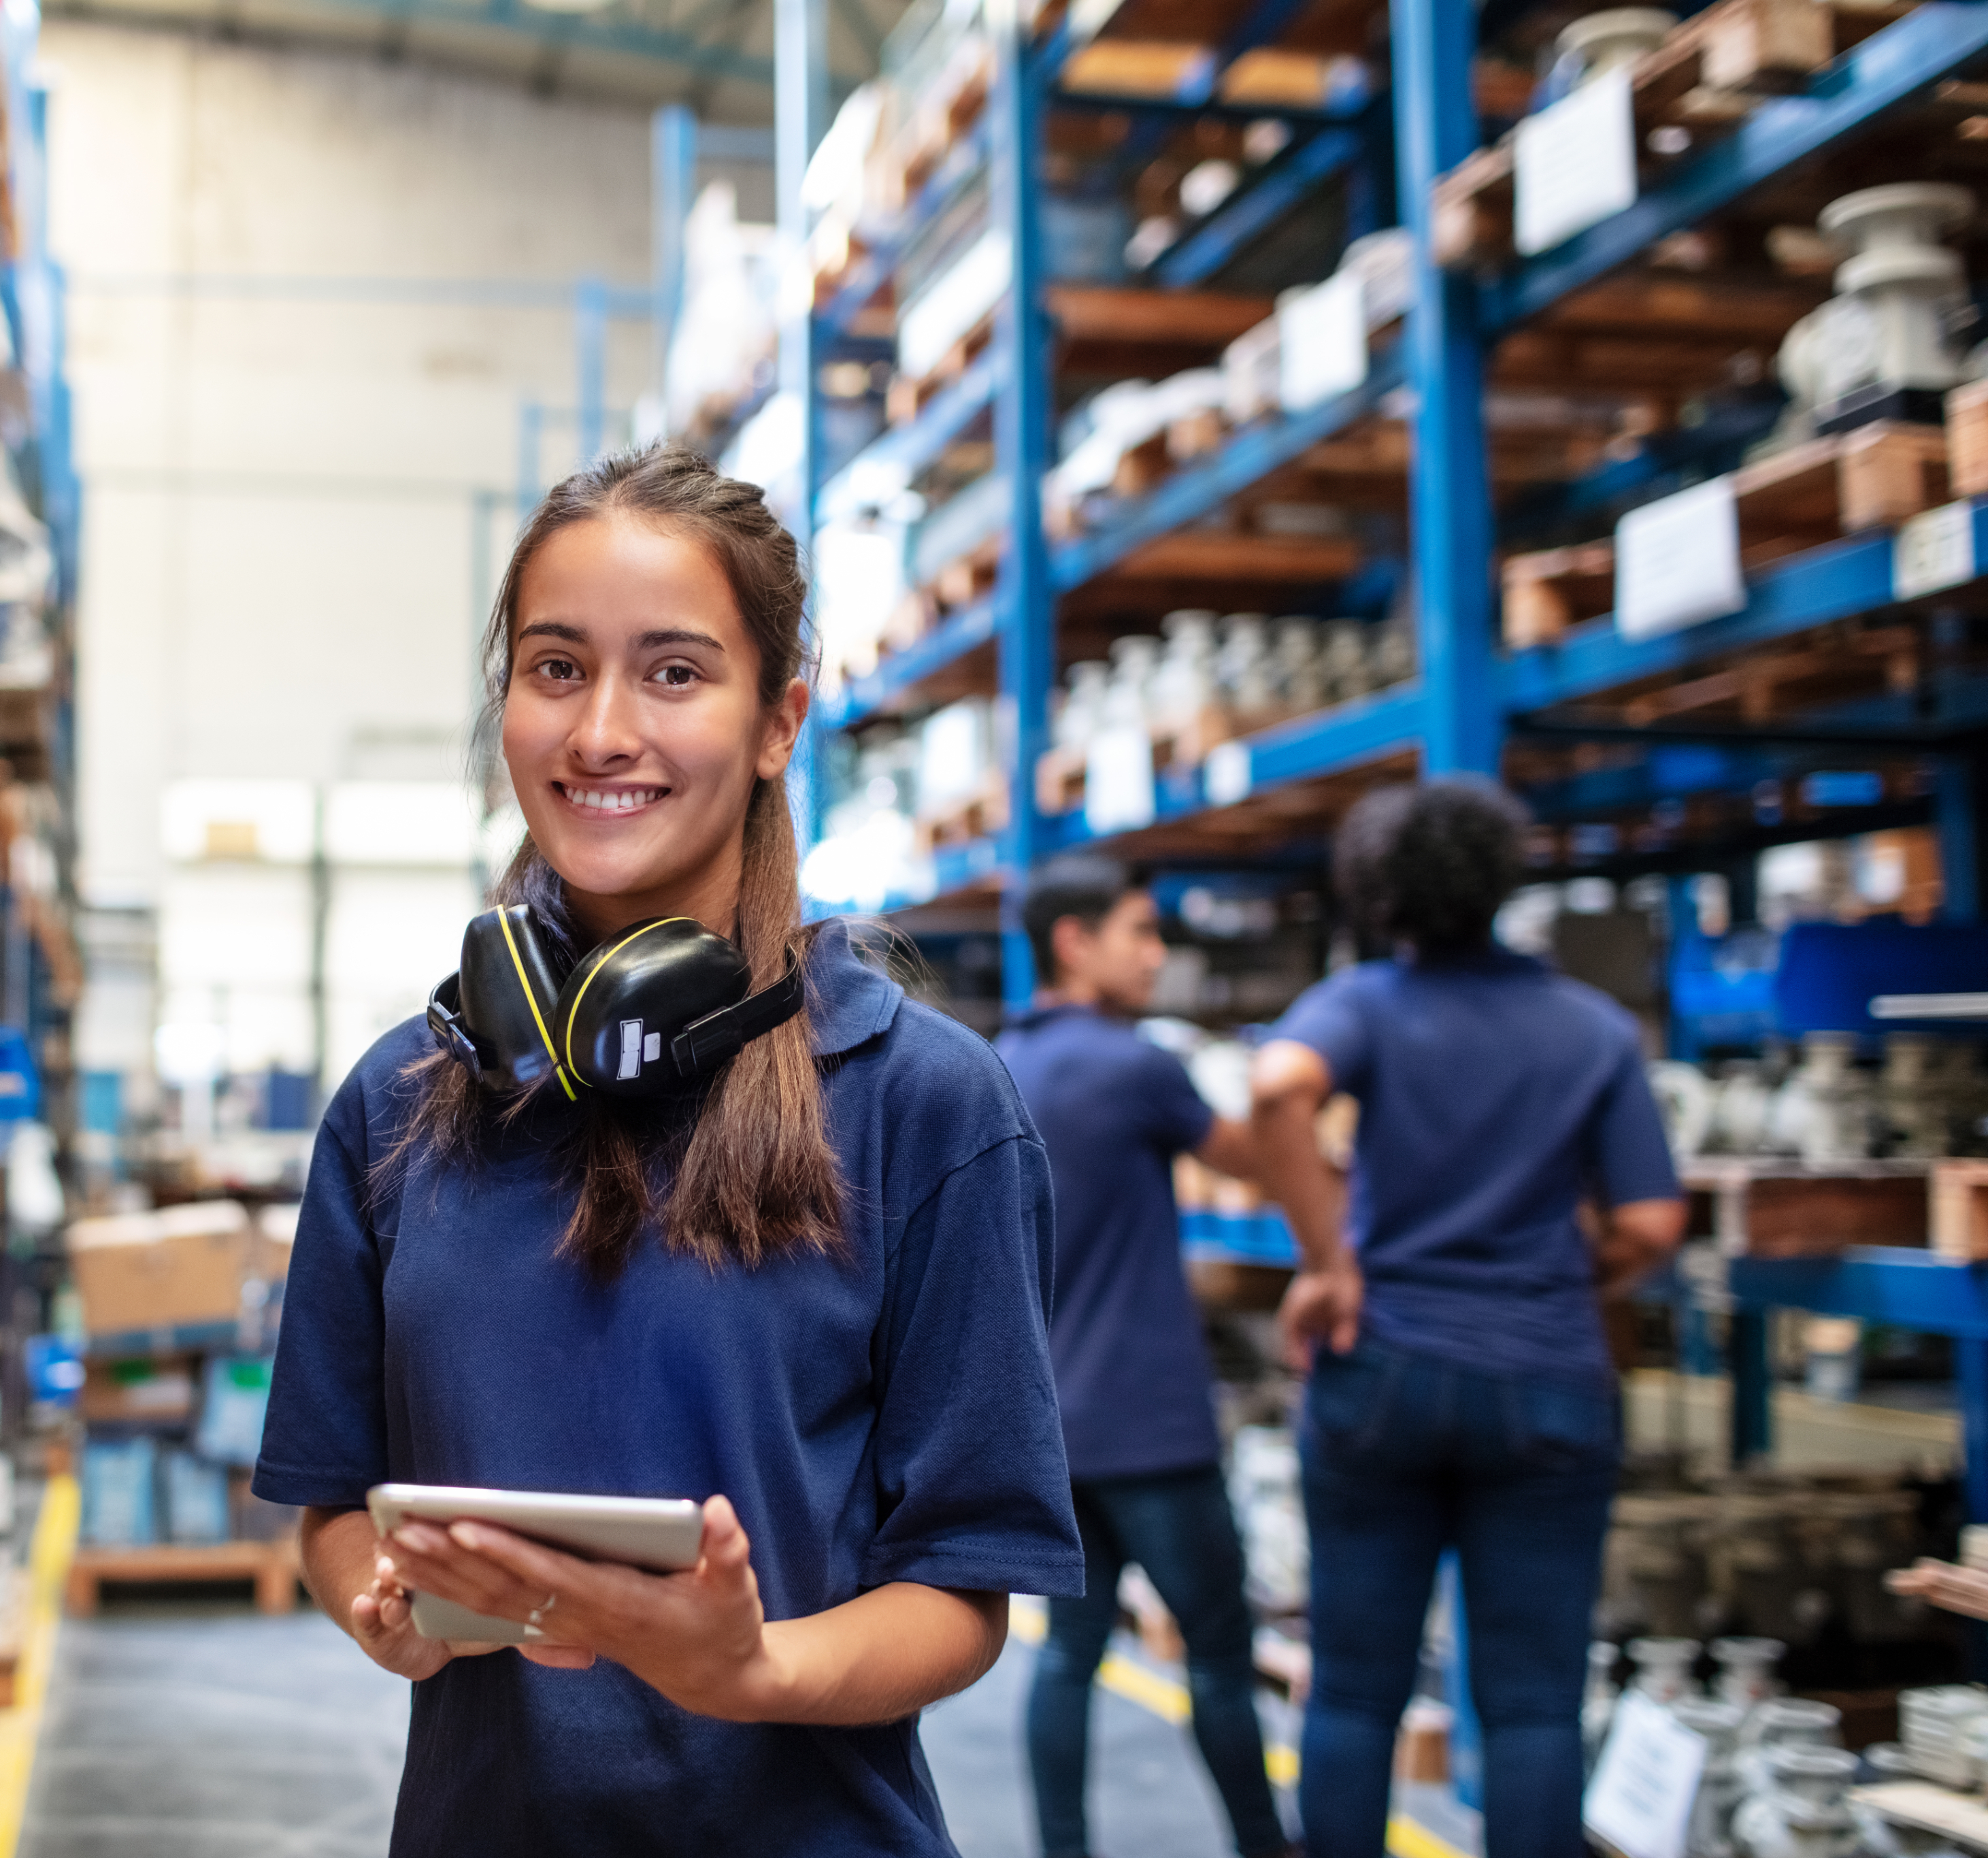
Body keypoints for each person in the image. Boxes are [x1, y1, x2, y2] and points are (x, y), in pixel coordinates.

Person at [250, 446, 1085, 1857]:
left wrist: (750, 1671)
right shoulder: (397, 1106)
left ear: (778, 721)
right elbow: (335, 1501)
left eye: (676, 673)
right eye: (556, 667)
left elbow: (959, 1595)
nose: (601, 732)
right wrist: (374, 1598)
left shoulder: (924, 1108)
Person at [1249, 778, 1686, 1858]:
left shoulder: (1366, 1006)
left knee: (1355, 1687)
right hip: (1545, 1379)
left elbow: (1274, 1090)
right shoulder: (1590, 1028)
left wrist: (1329, 1262)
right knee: (1533, 1700)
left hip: (1380, 1366)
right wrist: (1572, 1278)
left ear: (1380, 890)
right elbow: (1653, 1222)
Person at [996, 855, 1291, 1858]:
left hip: (1052, 1425)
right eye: (1140, 934)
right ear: (1074, 943)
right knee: (1217, 1654)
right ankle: (1264, 1844)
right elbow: (1247, 1159)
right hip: (1152, 1421)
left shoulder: (997, 1069)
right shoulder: (1137, 1066)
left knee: (1070, 1652)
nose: (1157, 957)